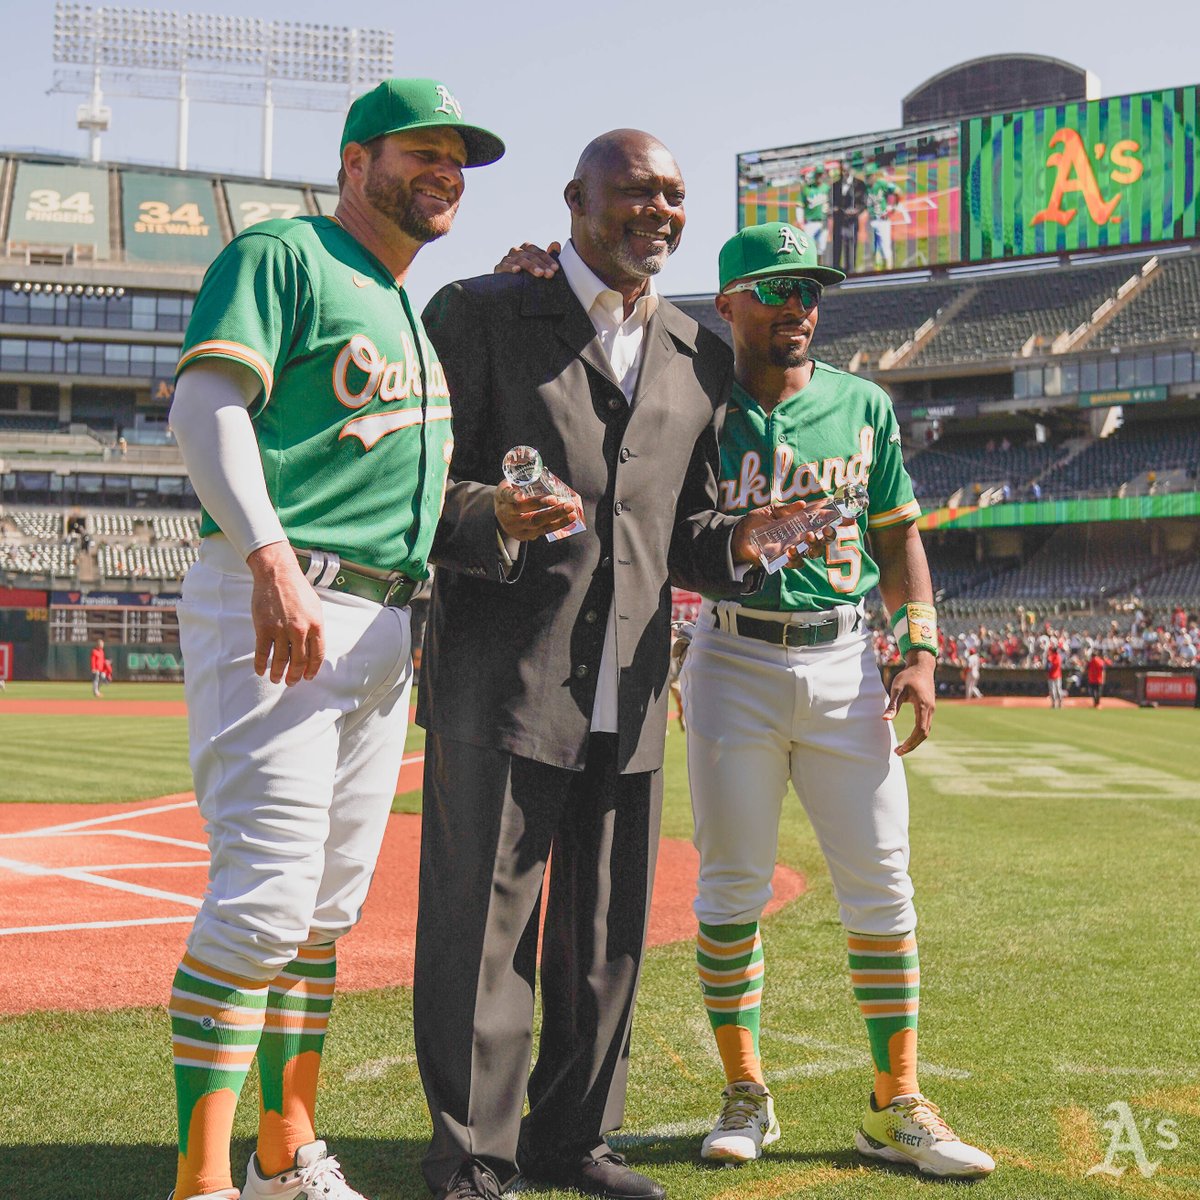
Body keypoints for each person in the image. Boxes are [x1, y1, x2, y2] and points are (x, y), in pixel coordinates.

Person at [412, 131, 818, 1200]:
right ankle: (473, 1157)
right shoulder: (484, 311)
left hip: (629, 681)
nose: (661, 208)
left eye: (676, 195)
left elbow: (679, 533)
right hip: (499, 673)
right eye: (636, 189)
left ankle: (573, 1140)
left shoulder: (700, 351)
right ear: (575, 199)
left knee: (604, 934)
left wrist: (737, 542)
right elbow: (417, 489)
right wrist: (491, 512)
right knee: (482, 931)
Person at [165, 78, 504, 1200]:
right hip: (286, 596)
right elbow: (204, 406)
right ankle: (202, 1180)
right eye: (423, 151)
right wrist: (265, 555)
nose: (446, 170)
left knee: (321, 913)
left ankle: (282, 1151)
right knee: (263, 900)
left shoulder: (406, 302)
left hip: (382, 619)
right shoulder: (288, 254)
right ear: (356, 160)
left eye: (460, 157)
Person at [680, 222, 994, 1178]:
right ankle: (746, 1091)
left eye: (810, 290)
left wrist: (922, 649)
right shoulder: (692, 406)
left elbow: (900, 536)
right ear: (728, 303)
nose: (799, 308)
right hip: (732, 657)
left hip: (845, 658)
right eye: (776, 291)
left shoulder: (861, 403)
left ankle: (896, 1100)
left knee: (882, 881)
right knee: (731, 885)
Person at [1046, 643, 1064, 708]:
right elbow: (1048, 666)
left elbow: (1053, 665)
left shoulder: (1056, 657)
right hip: (1053, 675)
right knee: (1053, 690)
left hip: (1056, 675)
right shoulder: (1052, 656)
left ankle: (1059, 703)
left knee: (1057, 690)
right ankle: (1055, 703)